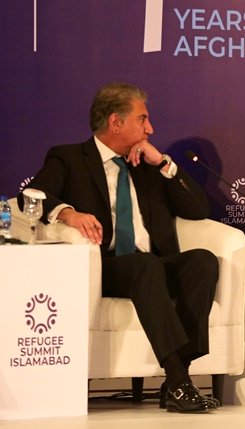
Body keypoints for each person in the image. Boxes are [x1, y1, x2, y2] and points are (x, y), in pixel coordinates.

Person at [20, 82, 219, 413]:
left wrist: (165, 164)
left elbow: (198, 210)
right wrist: (67, 213)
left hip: (151, 266)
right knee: (147, 266)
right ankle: (179, 381)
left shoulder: (146, 163)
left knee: (203, 261)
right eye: (142, 119)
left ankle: (177, 377)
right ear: (115, 122)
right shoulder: (69, 158)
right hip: (107, 267)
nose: (150, 129)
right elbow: (31, 196)